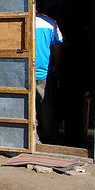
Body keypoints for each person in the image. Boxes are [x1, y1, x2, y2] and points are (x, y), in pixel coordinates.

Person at [35, 9, 63, 143]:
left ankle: (32, 138)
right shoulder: (49, 23)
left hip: (23, 71)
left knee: (26, 106)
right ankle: (49, 138)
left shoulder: (20, 21)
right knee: (45, 106)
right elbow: (58, 46)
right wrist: (56, 65)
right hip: (43, 72)